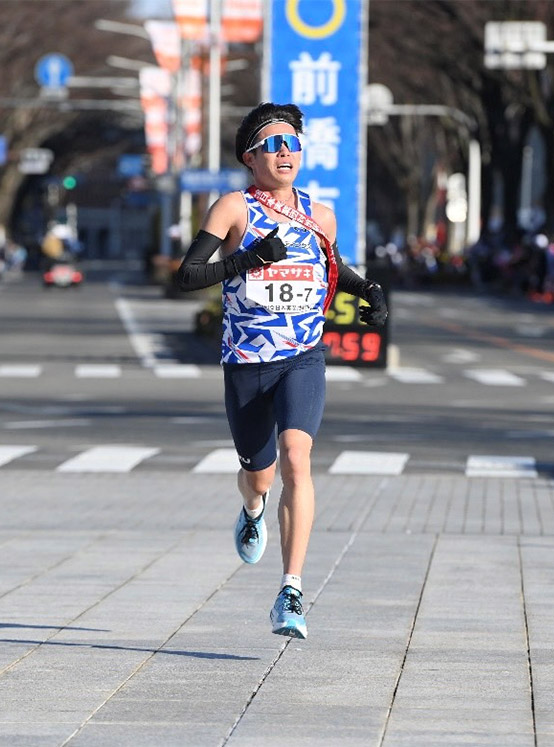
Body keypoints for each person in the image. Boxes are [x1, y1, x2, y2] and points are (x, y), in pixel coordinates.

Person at [175, 102, 388, 639]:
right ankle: (253, 508)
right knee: (260, 473)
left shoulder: (321, 215)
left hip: (302, 355)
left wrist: (369, 290)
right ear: (250, 157)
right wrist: (248, 259)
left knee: (297, 456)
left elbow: (332, 270)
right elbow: (189, 274)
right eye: (272, 144)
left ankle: (290, 591)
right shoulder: (234, 208)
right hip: (247, 361)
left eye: (292, 143)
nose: (285, 152)